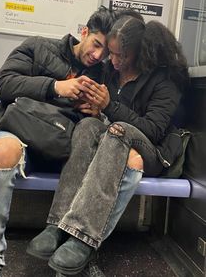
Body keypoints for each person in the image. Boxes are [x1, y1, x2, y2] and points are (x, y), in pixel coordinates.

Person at [26, 17, 189, 275]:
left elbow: (154, 130)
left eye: (120, 56)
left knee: (117, 132)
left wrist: (109, 107)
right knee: (88, 127)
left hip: (154, 152)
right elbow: (102, 117)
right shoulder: (110, 72)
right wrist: (93, 110)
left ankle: (83, 237)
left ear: (140, 53)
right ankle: (57, 225)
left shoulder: (164, 81)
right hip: (113, 141)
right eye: (111, 53)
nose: (112, 61)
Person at [0, 6, 118, 277]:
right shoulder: (39, 48)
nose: (98, 56)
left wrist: (98, 111)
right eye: (96, 44)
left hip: (68, 146)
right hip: (23, 132)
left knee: (96, 143)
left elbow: (109, 121)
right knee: (2, 151)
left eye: (106, 53)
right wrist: (54, 87)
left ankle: (79, 250)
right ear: (84, 32)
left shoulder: (104, 74)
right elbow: (2, 84)